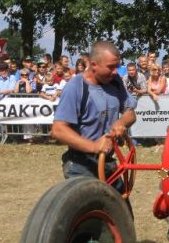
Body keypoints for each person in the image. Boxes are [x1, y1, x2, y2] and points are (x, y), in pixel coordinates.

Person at [51, 41, 136, 180]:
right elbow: (58, 130)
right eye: (111, 67)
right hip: (80, 166)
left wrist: (121, 123)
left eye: (117, 66)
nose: (115, 71)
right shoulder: (75, 87)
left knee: (119, 202)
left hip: (107, 163)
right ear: (93, 64)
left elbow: (130, 113)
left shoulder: (115, 81)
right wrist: (95, 146)